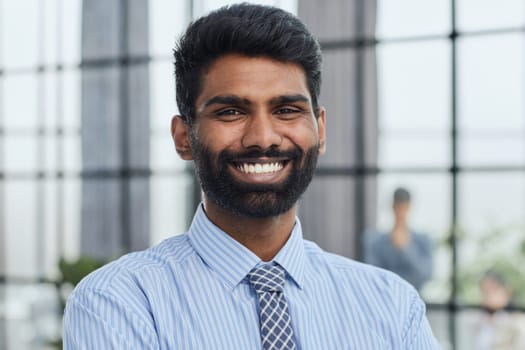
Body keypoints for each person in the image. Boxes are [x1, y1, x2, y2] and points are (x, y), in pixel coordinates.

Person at [63, 4, 440, 349]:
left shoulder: (391, 306)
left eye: (287, 110)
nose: (263, 137)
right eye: (230, 112)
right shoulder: (118, 302)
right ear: (183, 138)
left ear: (320, 130)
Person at [364, 187, 433, 291]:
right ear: (392, 207)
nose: (401, 213)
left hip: (414, 301)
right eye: (398, 207)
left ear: (409, 208)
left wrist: (406, 248)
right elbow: (372, 276)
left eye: (404, 208)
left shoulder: (423, 240)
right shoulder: (375, 241)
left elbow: (426, 275)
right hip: (385, 298)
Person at [473, 271, 525, 350]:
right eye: (485, 292)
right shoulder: (480, 322)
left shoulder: (518, 322)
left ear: (506, 292)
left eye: (493, 290)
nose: (488, 297)